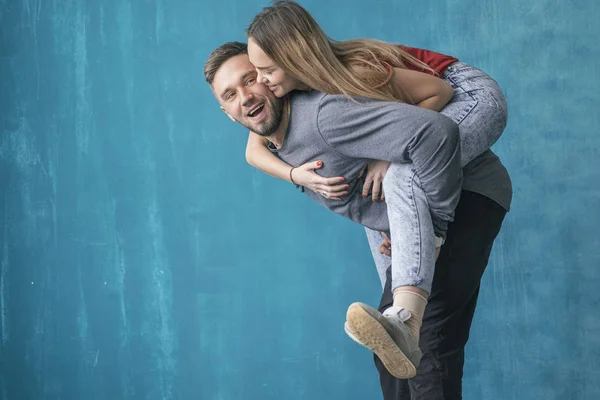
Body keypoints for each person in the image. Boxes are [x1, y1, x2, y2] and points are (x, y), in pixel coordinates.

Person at [242, 1, 511, 395]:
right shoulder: (300, 92)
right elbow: (253, 149)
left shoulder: (355, 73)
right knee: (384, 202)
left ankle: (427, 256)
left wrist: (387, 155)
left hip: (465, 94)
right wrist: (296, 174)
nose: (261, 84)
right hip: (419, 117)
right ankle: (402, 317)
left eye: (266, 71)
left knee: (402, 171)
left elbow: (437, 94)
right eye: (256, 73)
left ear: (296, 56)